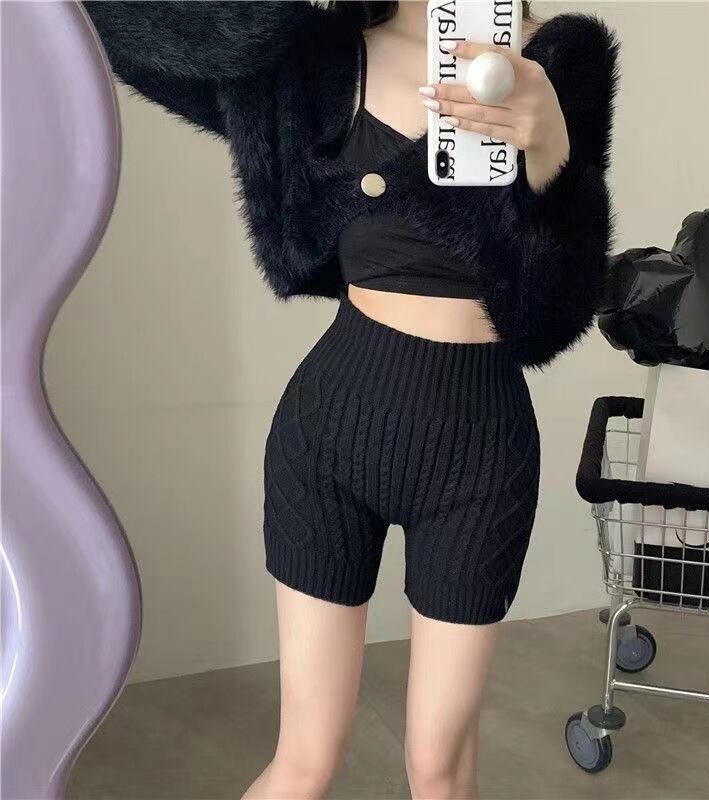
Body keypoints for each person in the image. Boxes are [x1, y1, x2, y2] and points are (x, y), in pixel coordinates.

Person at [81, 1, 620, 797]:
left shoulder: (560, 63)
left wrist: (552, 155)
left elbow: (551, 318)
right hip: (330, 432)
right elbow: (130, 31)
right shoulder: (317, 57)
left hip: (478, 454)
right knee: (305, 760)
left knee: (439, 768)